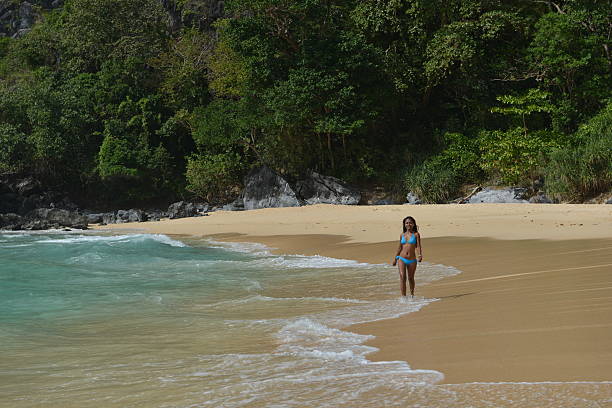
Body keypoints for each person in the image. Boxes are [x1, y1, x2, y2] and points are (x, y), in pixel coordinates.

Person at [392, 216, 423, 297]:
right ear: (404, 224)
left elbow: (418, 246)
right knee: (402, 277)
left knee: (411, 278)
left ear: (413, 224)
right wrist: (395, 258)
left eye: (410, 223)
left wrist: (419, 255)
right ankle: (403, 297)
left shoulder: (416, 234)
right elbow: (399, 247)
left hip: (412, 260)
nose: (408, 224)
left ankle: (412, 295)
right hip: (401, 259)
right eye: (406, 223)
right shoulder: (402, 235)